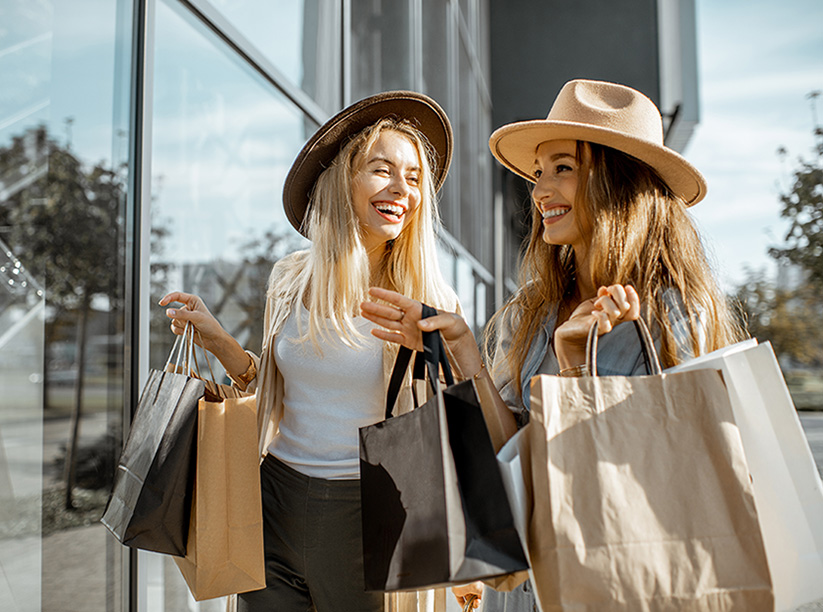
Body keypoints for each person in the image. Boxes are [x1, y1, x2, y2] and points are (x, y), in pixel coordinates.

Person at [360, 78, 744, 610]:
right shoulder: (532, 310)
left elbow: (668, 474)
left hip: (621, 582)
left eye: (562, 168)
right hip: (530, 584)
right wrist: (464, 355)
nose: (539, 190)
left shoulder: (672, 316)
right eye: (538, 173)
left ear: (619, 181)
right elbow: (509, 453)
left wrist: (574, 374)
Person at [159, 91, 461, 612]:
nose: (401, 189)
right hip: (272, 499)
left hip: (367, 517)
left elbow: (451, 426)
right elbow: (276, 389)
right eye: (382, 170)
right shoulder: (290, 277)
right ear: (345, 179)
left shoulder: (428, 299)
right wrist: (220, 341)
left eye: (413, 177)